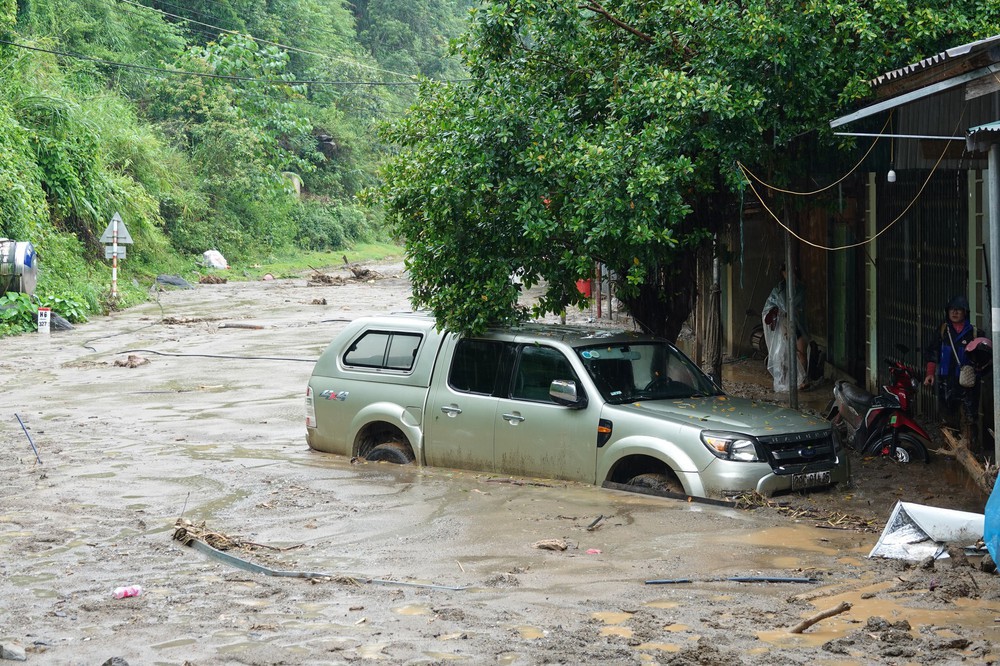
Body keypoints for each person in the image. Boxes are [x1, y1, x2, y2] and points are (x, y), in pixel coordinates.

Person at [923, 295, 989, 448]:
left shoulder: (975, 333)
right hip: (946, 382)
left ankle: (970, 452)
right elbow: (932, 353)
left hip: (968, 385)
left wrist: (977, 372)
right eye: (952, 310)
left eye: (958, 310)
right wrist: (930, 373)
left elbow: (987, 361)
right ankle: (949, 450)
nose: (955, 313)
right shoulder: (942, 331)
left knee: (969, 419)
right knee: (947, 420)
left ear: (965, 312)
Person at [762, 264, 809, 391]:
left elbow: (798, 306)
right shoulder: (779, 290)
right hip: (783, 323)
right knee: (783, 352)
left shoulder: (800, 288)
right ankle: (783, 379)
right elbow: (784, 306)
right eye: (786, 272)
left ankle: (802, 380)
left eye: (792, 272)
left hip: (798, 323)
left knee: (801, 351)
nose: (790, 275)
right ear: (783, 274)